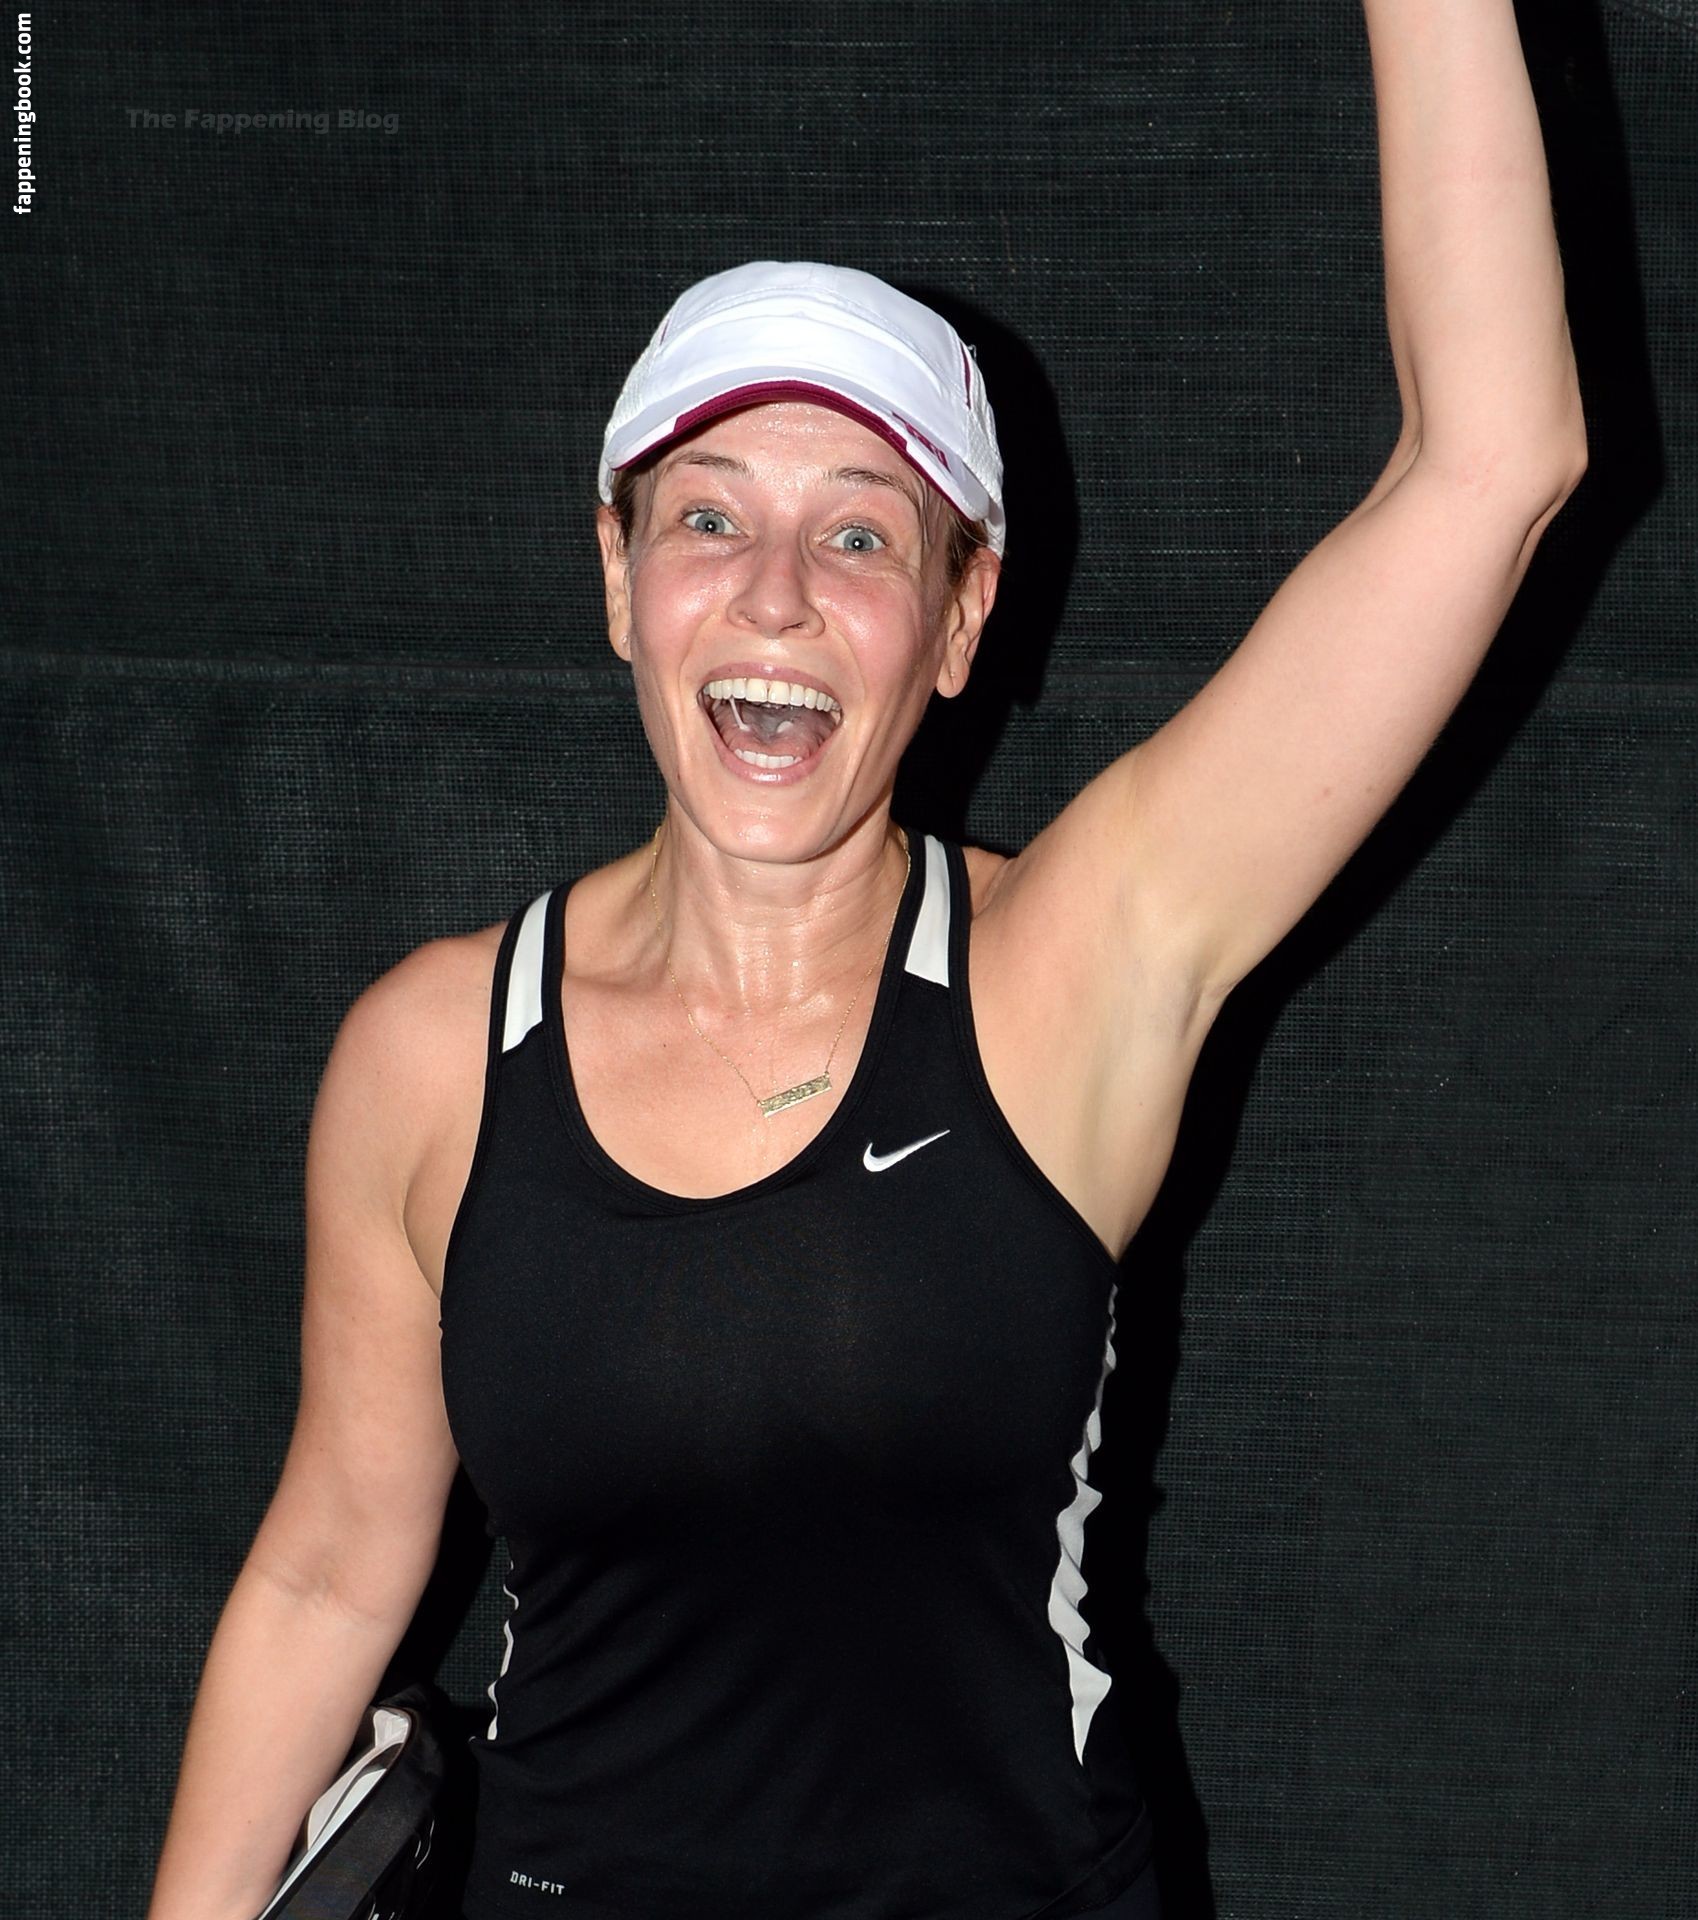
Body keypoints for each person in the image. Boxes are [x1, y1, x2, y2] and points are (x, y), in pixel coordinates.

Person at [145, 4, 1586, 1916]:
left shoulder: (1073, 963)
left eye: (858, 537)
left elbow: (1491, 463)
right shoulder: (431, 1054)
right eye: (708, 519)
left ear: (961, 618)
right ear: (617, 577)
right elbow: (330, 1572)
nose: (772, 596)